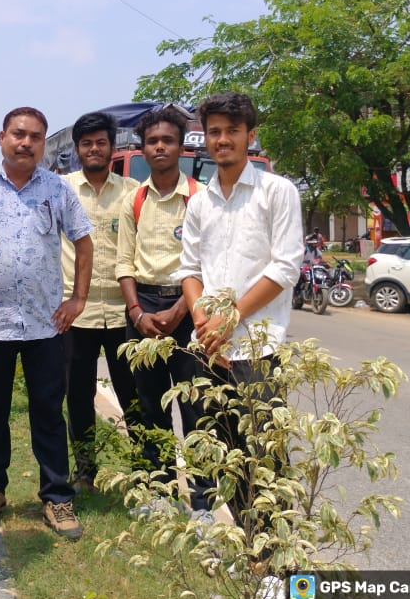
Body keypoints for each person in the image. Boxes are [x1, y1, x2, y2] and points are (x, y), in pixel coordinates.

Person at [0, 106, 93, 540]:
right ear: (1, 138)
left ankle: (56, 498)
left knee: (49, 414)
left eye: (35, 136)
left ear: (43, 143)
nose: (26, 142)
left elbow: (85, 243)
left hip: (45, 325)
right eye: (18, 134)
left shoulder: (58, 189)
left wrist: (78, 298)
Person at [177, 91, 303, 554]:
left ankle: (272, 561)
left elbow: (286, 267)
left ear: (251, 136)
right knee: (213, 452)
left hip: (258, 351)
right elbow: (189, 270)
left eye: (233, 131)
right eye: (214, 132)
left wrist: (231, 317)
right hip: (207, 349)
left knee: (264, 460)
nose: (223, 139)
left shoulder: (277, 192)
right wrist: (202, 319)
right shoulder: (200, 203)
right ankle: (236, 548)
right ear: (204, 138)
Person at [115, 106, 209, 511]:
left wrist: (182, 312)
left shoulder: (202, 200)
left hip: (190, 310)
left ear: (181, 146)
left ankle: (203, 502)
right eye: (152, 141)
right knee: (150, 407)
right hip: (143, 311)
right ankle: (161, 494)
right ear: (142, 147)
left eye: (167, 140)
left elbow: (208, 263)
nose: (159, 147)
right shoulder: (133, 200)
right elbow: (124, 264)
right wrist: (137, 314)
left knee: (195, 409)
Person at [60, 111, 138, 490]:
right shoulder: (61, 189)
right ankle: (85, 471)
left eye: (101, 142)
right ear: (78, 149)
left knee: (134, 393)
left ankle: (144, 469)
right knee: (79, 395)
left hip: (124, 312)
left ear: (112, 147)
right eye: (87, 143)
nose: (94, 148)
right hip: (75, 313)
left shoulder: (132, 191)